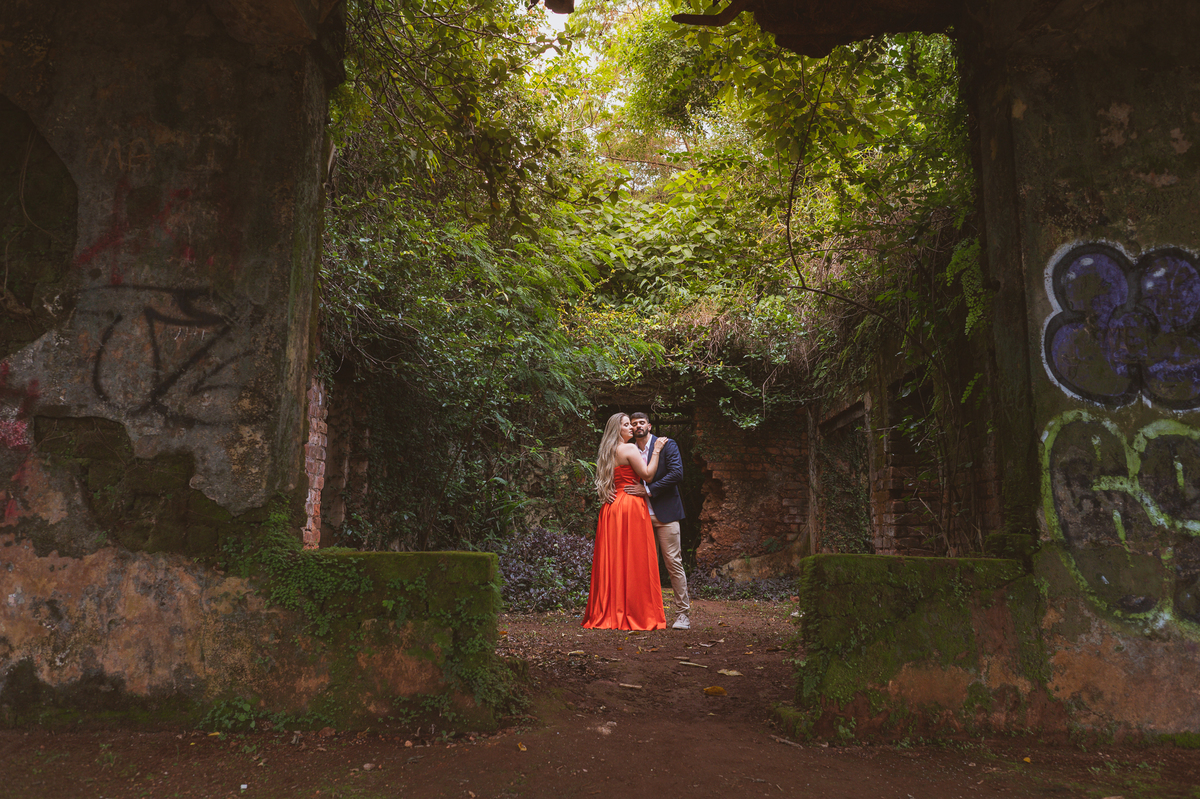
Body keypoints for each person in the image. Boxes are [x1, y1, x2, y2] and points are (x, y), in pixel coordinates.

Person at [581, 412, 669, 631]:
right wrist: (656, 451)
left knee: (614, 559)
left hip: (611, 508)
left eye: (632, 424)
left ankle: (610, 610)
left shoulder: (606, 452)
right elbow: (648, 475)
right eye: (627, 425)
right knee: (635, 559)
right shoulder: (629, 449)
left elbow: (607, 484)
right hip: (630, 506)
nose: (631, 428)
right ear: (618, 429)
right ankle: (635, 611)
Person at [623, 412, 691, 631]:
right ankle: (645, 614)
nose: (637, 426)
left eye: (641, 422)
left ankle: (682, 615)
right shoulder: (629, 449)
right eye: (633, 424)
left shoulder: (667, 445)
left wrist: (649, 490)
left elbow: (677, 474)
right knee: (642, 566)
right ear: (631, 429)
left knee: (673, 562)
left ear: (649, 426)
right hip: (638, 515)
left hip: (666, 513)